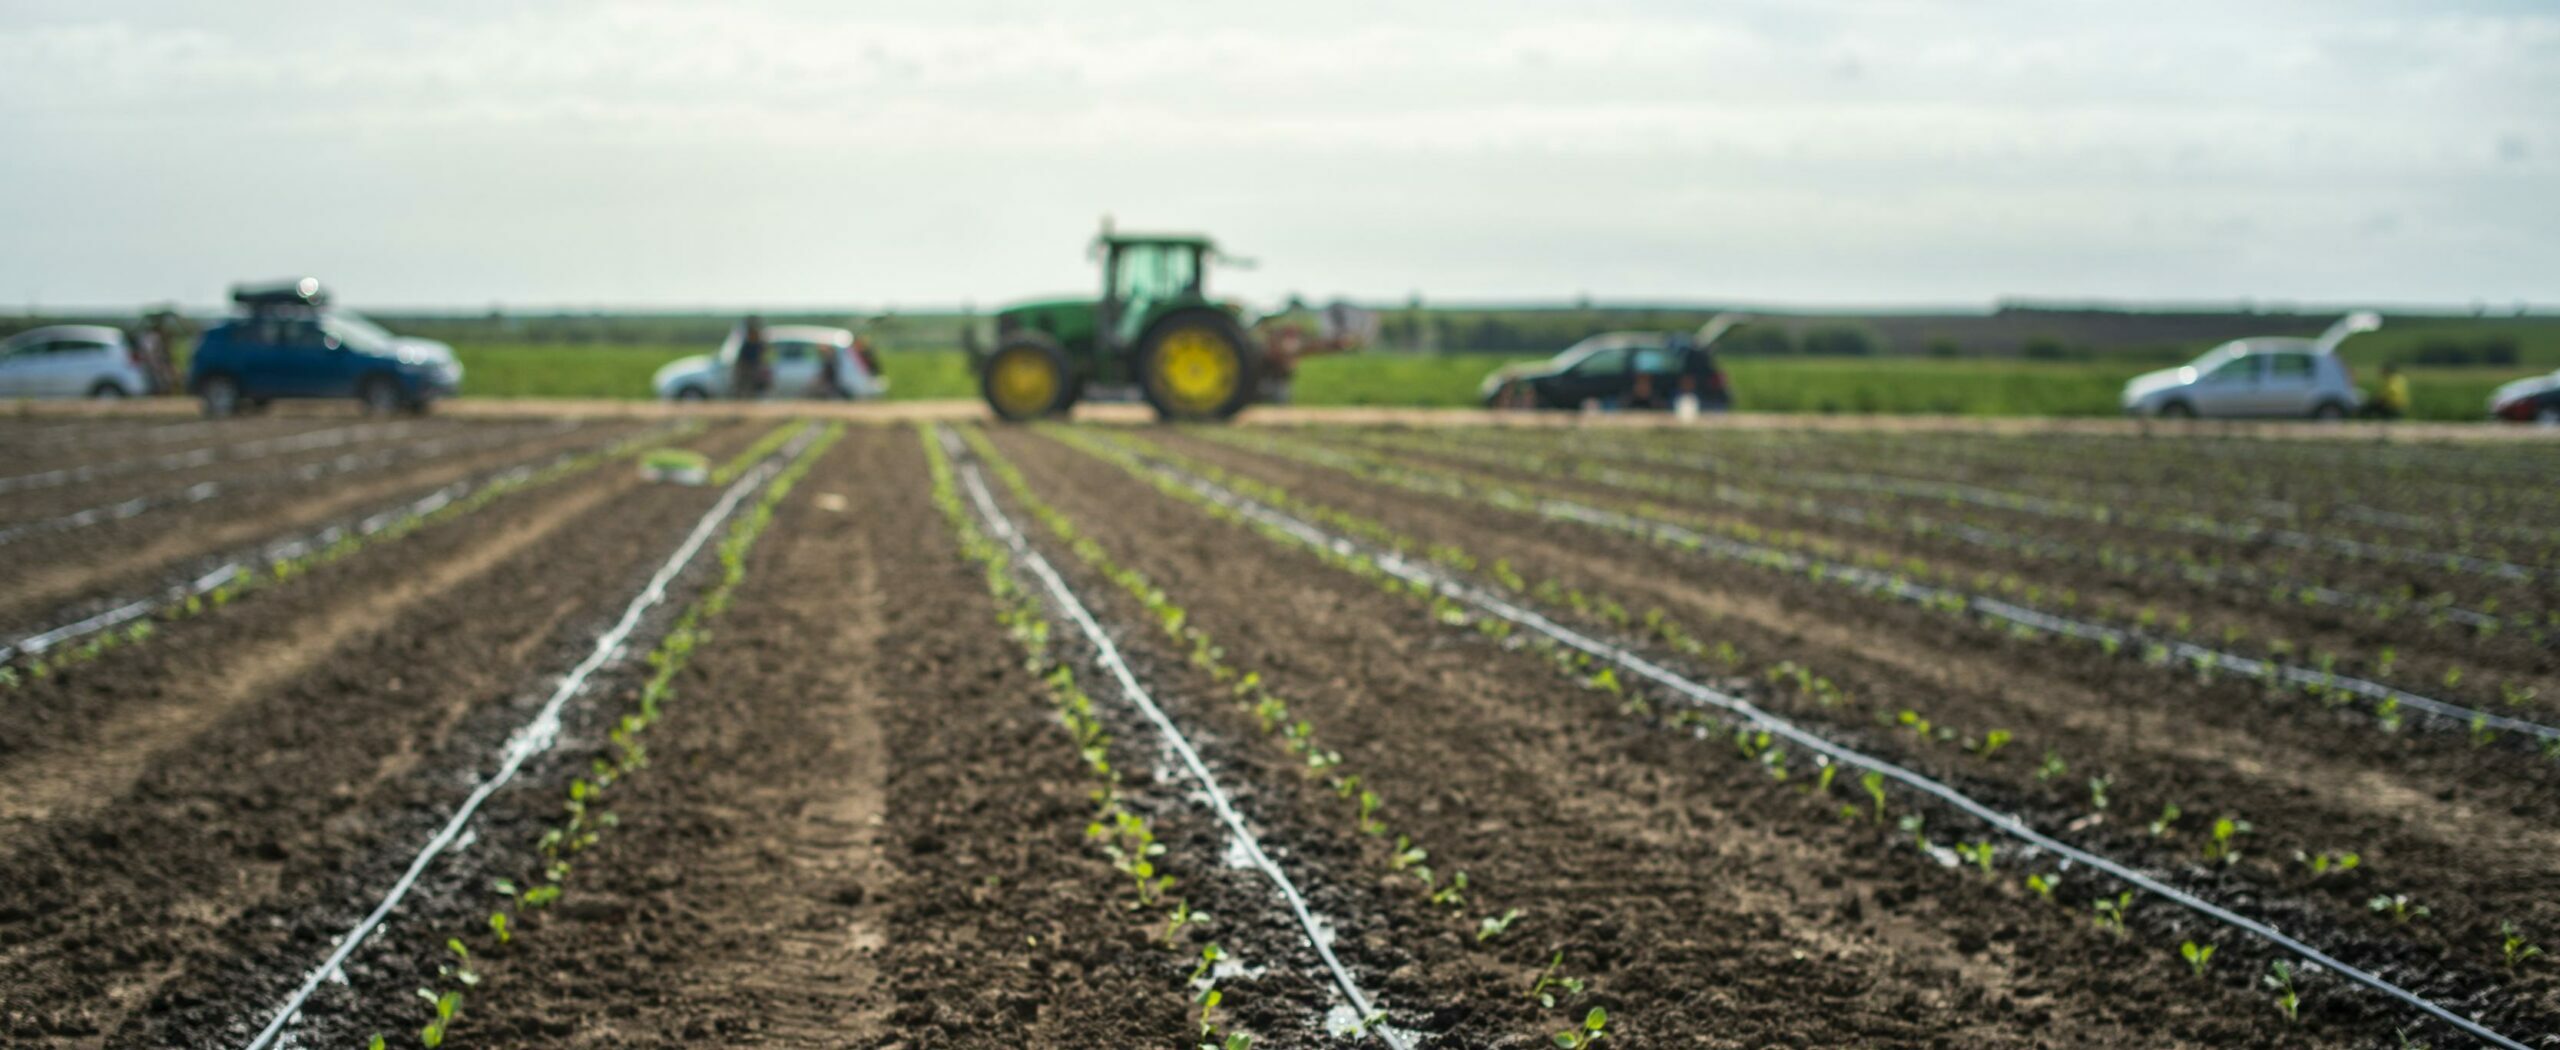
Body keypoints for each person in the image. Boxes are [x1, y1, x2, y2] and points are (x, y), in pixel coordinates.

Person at [731, 316, 770, 399]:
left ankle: (749, 398)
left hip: (752, 367)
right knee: (744, 385)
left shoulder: (756, 343)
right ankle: (744, 398)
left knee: (752, 386)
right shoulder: (748, 343)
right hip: (747, 367)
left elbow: (762, 353)